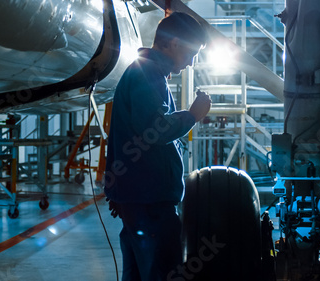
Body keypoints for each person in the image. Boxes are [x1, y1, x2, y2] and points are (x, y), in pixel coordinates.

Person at [104, 12, 211, 281]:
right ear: (174, 43)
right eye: (191, 53)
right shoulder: (148, 73)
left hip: (140, 199)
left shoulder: (143, 71)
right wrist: (192, 115)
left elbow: (125, 137)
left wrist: (119, 190)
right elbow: (153, 131)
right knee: (161, 273)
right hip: (149, 203)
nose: (190, 63)